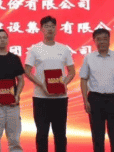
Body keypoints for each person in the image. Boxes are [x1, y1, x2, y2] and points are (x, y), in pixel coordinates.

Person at [24, 16, 76, 152]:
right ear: (41, 29)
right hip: (41, 98)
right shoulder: (34, 49)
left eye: (52, 26)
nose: (50, 29)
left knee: (60, 133)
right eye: (46, 26)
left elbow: (72, 72)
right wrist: (42, 85)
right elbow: (27, 71)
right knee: (42, 133)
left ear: (56, 29)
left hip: (60, 98)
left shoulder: (64, 49)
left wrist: (64, 83)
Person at [80, 28, 114, 152]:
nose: (102, 42)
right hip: (95, 99)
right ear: (94, 41)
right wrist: (85, 100)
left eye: (105, 39)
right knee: (97, 137)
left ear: (109, 40)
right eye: (99, 39)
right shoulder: (89, 58)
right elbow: (83, 80)